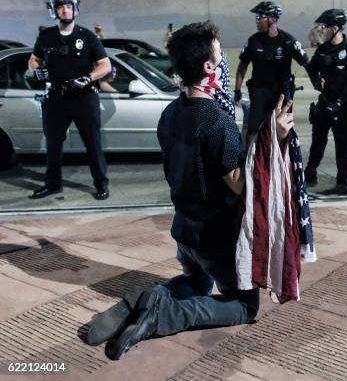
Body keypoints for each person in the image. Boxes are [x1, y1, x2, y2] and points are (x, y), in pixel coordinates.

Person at [84, 21, 294, 360]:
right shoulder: (216, 121)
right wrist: (274, 139)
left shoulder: (169, 113)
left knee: (195, 282)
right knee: (243, 305)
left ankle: (144, 300)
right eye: (219, 52)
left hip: (185, 230)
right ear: (209, 67)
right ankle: (165, 315)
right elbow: (240, 184)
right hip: (217, 238)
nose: (224, 58)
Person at [27, 0, 111, 200]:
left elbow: (105, 65)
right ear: (53, 10)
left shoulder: (87, 36)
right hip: (55, 98)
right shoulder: (46, 36)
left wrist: (88, 78)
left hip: (83, 97)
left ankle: (101, 184)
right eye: (61, 7)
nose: (66, 10)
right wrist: (37, 70)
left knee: (92, 142)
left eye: (69, 6)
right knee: (53, 145)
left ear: (75, 9)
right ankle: (53, 184)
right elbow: (33, 59)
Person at [304, 9, 347, 195]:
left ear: (335, 28)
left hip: (344, 106)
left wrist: (338, 103)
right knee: (317, 142)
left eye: (325, 27)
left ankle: (342, 182)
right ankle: (310, 174)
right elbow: (311, 67)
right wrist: (316, 81)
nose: (322, 30)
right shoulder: (323, 50)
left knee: (343, 145)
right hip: (325, 102)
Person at [234, 1, 308, 145]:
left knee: (284, 128)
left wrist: (318, 79)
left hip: (281, 91)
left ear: (272, 19)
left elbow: (306, 61)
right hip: (260, 90)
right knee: (253, 129)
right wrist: (237, 89)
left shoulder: (288, 40)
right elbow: (242, 66)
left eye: (260, 16)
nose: (256, 20)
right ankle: (251, 162)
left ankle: (284, 163)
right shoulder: (253, 41)